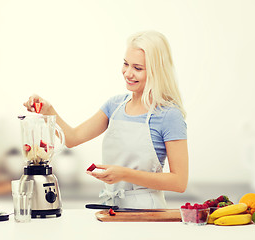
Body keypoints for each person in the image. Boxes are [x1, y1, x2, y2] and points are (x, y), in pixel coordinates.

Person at [23, 30, 188, 209]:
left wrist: (124, 174)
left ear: (157, 71)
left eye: (138, 68)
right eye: (126, 64)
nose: (128, 73)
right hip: (111, 208)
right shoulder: (115, 105)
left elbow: (179, 182)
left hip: (147, 212)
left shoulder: (169, 115)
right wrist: (48, 110)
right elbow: (72, 138)